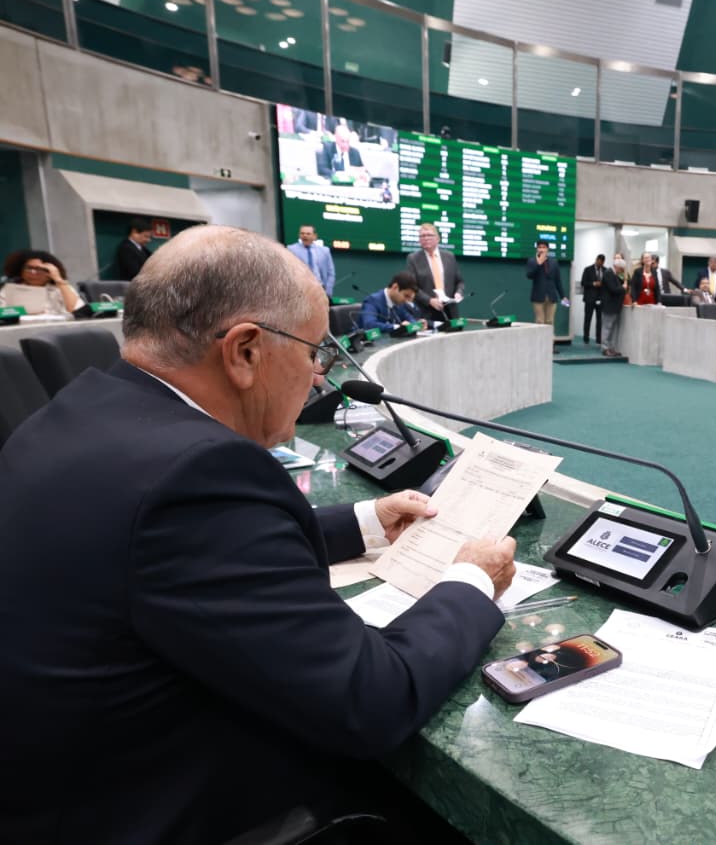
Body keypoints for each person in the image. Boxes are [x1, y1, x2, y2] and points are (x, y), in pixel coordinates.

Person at [0, 225, 517, 843]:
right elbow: (371, 701)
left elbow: (181, 552)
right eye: (314, 352)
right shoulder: (197, 476)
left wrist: (364, 522)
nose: (319, 377)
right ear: (245, 350)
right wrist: (470, 580)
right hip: (158, 808)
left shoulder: (82, 411)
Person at [406, 222, 464, 324]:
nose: (426, 238)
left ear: (437, 238)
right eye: (422, 236)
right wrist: (430, 300)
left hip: (450, 311)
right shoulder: (413, 258)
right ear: (419, 240)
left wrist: (458, 292)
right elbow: (412, 287)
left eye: (429, 235)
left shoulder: (449, 257)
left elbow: (459, 281)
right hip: (427, 312)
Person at [0, 249, 84, 317]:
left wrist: (58, 279)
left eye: (39, 269)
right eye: (29, 268)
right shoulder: (9, 290)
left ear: (50, 272)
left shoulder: (61, 288)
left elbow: (76, 309)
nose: (33, 273)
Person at [286, 225, 337, 297]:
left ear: (315, 236)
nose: (305, 236)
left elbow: (331, 272)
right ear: (299, 235)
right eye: (302, 233)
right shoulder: (291, 249)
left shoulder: (324, 251)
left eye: (308, 234)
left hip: (320, 289)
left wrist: (328, 290)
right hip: (300, 289)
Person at [527, 240, 567, 326]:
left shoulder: (554, 262)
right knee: (539, 321)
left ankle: (549, 336)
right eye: (539, 247)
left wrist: (563, 296)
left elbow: (558, 281)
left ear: (547, 249)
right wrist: (538, 264)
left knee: (550, 321)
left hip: (551, 296)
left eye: (544, 247)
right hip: (538, 296)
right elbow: (529, 276)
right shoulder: (532, 261)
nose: (541, 249)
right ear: (537, 249)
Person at [600, 256, 627, 357]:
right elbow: (613, 289)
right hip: (609, 306)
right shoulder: (608, 273)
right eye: (621, 269)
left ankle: (610, 348)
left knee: (611, 329)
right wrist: (623, 288)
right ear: (617, 267)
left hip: (614, 306)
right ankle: (605, 348)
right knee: (607, 328)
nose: (621, 271)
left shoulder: (614, 274)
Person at [580, 254, 606, 345]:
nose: (600, 263)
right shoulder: (588, 270)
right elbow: (583, 283)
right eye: (598, 261)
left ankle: (598, 339)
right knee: (588, 319)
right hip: (589, 299)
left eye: (602, 262)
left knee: (600, 320)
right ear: (596, 260)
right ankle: (586, 338)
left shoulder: (605, 270)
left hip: (601, 299)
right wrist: (594, 284)